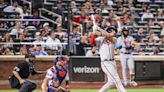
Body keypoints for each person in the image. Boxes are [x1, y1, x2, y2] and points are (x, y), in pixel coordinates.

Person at [95, 26, 126, 92]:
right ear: (108, 30)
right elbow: (96, 33)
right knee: (117, 80)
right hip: (106, 63)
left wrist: (99, 28)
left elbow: (108, 35)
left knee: (111, 82)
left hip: (112, 62)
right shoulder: (100, 39)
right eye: (112, 31)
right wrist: (95, 28)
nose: (114, 32)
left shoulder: (114, 39)